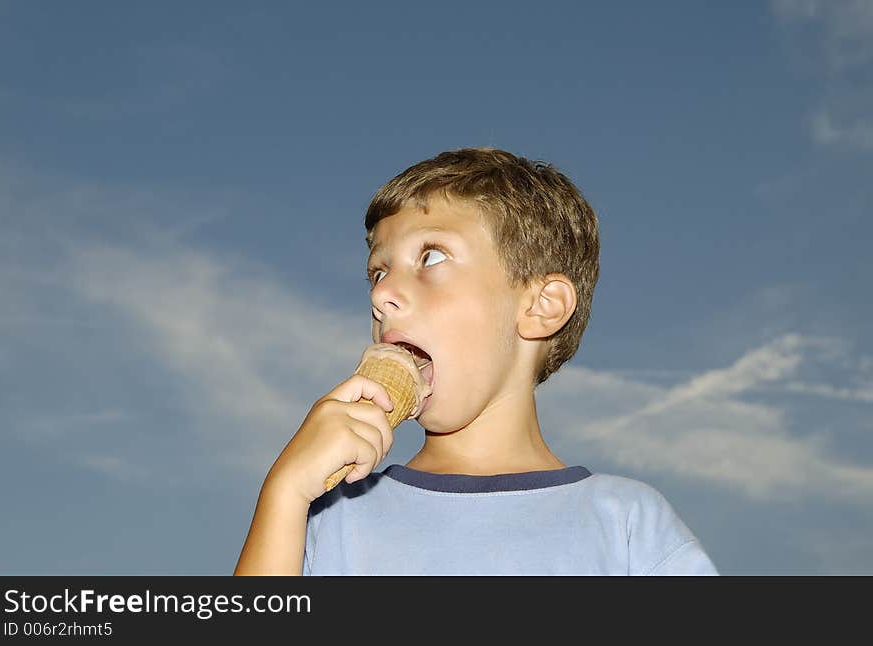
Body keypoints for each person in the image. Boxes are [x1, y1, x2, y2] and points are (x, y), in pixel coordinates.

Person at [234, 147, 718, 575]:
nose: (381, 294)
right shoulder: (326, 519)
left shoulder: (628, 526)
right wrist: (284, 492)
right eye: (378, 272)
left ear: (540, 306)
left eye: (430, 258)